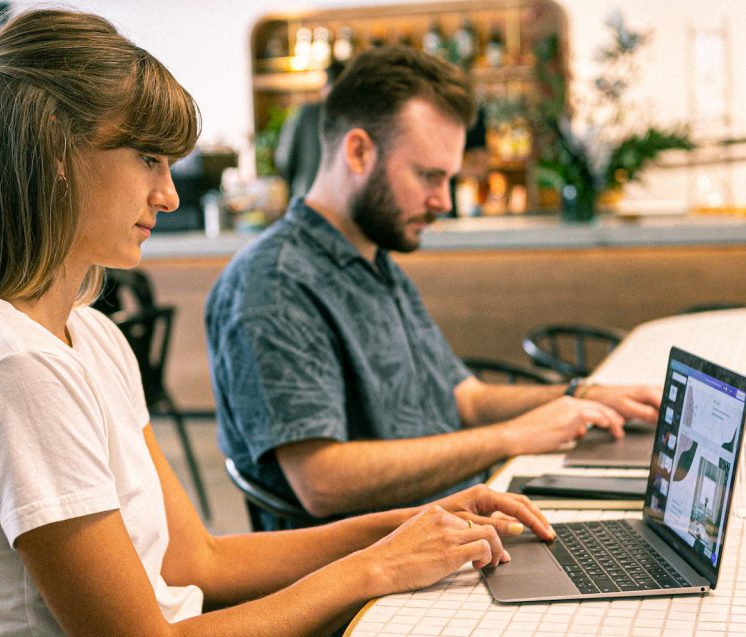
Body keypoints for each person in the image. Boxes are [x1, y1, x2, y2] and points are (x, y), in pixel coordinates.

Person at [0, 10, 557, 636]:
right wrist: (377, 565)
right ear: (55, 152)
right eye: (147, 159)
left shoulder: (90, 335)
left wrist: (419, 520)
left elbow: (200, 563)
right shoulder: (11, 367)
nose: (170, 194)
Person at [206, 45, 662, 530]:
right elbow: (322, 482)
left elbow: (464, 398)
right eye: (427, 175)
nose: (443, 201)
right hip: (368, 572)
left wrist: (581, 395)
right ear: (358, 151)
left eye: (448, 178)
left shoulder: (376, 261)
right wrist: (510, 437)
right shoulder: (275, 284)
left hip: (452, 523)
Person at [274, 60, 345, 201]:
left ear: (324, 88)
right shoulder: (355, 116)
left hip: (307, 199)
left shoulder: (305, 113)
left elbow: (283, 159)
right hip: (343, 205)